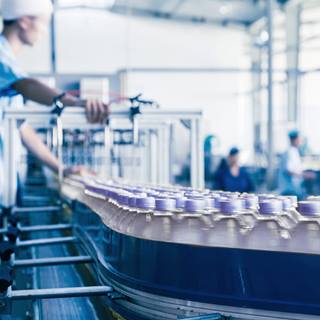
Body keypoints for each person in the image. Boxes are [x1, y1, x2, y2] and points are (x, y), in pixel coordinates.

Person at [0, 0, 109, 204]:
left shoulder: (10, 64)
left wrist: (61, 168)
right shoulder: (3, 60)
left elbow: (22, 128)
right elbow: (27, 85)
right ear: (24, 21)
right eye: (42, 23)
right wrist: (72, 102)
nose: (43, 32)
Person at [278, 130, 314, 198]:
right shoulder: (290, 152)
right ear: (295, 139)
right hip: (289, 191)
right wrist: (305, 175)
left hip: (295, 190)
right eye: (299, 139)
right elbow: (288, 170)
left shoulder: (294, 151)